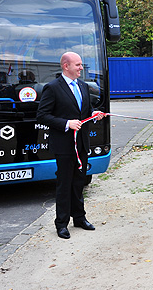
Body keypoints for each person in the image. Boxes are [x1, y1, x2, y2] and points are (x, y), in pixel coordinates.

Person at [37, 52, 105, 239]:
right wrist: (67, 124)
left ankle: (79, 218)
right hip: (64, 146)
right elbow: (42, 115)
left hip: (82, 144)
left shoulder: (83, 86)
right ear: (66, 66)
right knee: (64, 184)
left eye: (81, 64)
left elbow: (84, 111)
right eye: (78, 65)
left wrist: (95, 114)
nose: (81, 68)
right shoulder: (52, 88)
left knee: (79, 182)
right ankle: (61, 224)